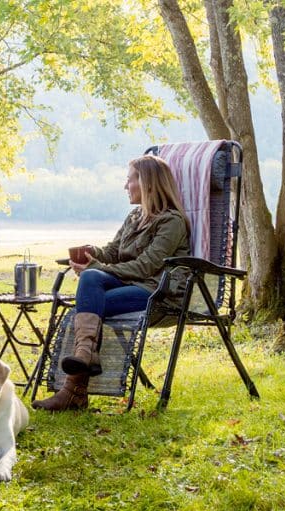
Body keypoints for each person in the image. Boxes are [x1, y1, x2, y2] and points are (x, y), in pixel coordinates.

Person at [32, 154, 190, 411]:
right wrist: (93, 252)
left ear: (148, 183)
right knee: (89, 301)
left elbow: (146, 266)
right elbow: (113, 251)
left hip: (156, 292)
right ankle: (80, 373)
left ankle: (74, 388)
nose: (125, 186)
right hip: (130, 287)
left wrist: (96, 267)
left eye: (130, 180)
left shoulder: (172, 222)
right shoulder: (134, 217)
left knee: (86, 303)